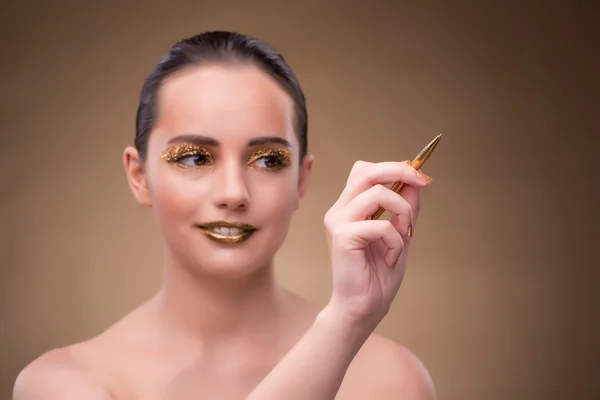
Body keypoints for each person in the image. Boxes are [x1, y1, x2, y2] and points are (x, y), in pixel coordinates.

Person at [13, 31, 436, 399]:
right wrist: (340, 328)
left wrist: (350, 317)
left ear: (301, 181)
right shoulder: (63, 384)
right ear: (139, 176)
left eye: (268, 161)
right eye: (195, 158)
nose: (234, 193)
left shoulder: (392, 381)